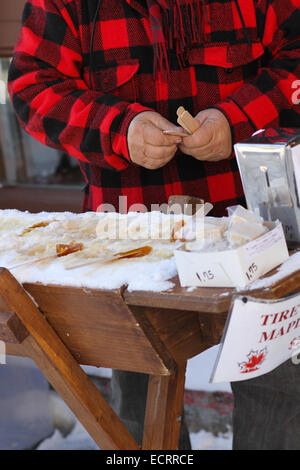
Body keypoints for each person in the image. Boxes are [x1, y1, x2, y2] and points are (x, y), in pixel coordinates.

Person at [8, 0, 300, 449]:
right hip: (128, 240)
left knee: (281, 396)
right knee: (144, 412)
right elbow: (32, 87)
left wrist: (237, 120)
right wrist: (117, 129)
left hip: (257, 231)